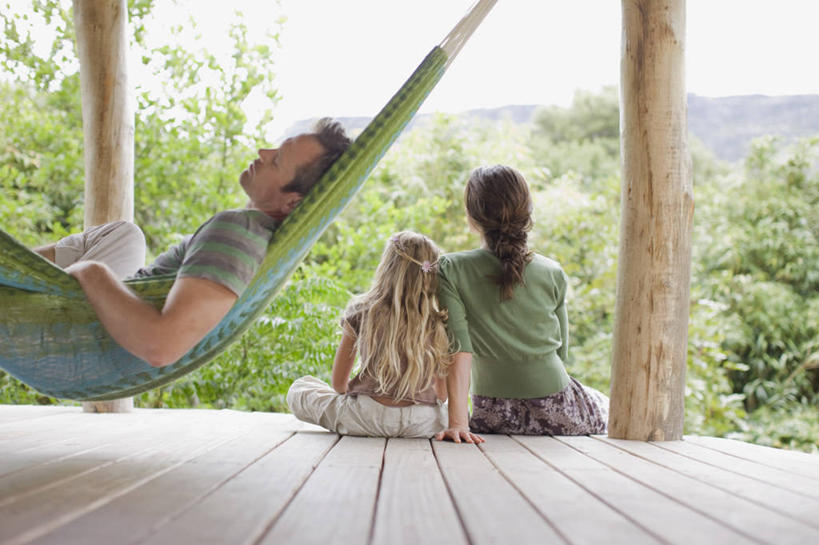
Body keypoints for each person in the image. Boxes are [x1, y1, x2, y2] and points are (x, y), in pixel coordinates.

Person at [32, 118, 351, 368]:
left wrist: (91, 272)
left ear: (291, 204)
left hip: (89, 326)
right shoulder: (255, 234)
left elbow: (161, 345)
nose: (263, 153)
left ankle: (15, 278)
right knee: (125, 234)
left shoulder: (237, 231)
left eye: (278, 160)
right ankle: (15, 269)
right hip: (118, 302)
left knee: (104, 247)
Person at [434, 165, 609, 443]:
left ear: (472, 216)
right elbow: (562, 352)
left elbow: (459, 347)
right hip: (558, 410)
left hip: (491, 413)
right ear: (527, 211)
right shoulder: (553, 272)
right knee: (607, 405)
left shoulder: (450, 268)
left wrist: (458, 423)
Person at [287, 231, 452, 438]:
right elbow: (443, 395)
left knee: (300, 388)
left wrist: (366, 392)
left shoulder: (361, 311)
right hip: (421, 424)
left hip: (365, 418)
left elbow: (339, 385)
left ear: (386, 268)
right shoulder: (439, 321)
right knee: (458, 413)